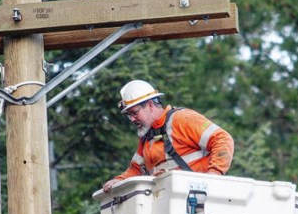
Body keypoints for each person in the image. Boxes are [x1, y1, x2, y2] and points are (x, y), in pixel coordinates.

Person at [101, 79, 235, 193]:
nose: (132, 119)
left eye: (134, 113)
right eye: (128, 115)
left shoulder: (181, 119)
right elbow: (136, 170)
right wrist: (118, 181)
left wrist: (213, 176)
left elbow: (222, 139)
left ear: (150, 105)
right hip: (170, 202)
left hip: (199, 197)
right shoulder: (147, 137)